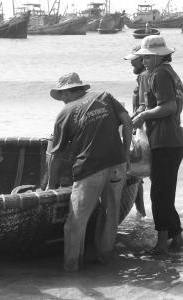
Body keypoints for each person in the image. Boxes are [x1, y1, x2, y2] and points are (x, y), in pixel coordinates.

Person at [48, 72, 132, 272]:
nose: (62, 101)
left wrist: (51, 185)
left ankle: (72, 267)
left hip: (89, 169)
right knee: (110, 213)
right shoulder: (105, 97)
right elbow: (127, 122)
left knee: (75, 222)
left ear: (67, 92)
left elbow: (56, 155)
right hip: (117, 165)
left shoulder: (65, 113)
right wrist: (126, 154)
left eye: (62, 96)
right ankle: (104, 260)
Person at [132, 35, 183, 254]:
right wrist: (142, 111)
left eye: (147, 56)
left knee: (160, 194)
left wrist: (144, 116)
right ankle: (177, 238)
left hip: (165, 141)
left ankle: (162, 243)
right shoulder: (170, 73)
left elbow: (169, 106)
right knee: (165, 192)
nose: (143, 60)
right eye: (142, 56)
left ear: (159, 56)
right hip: (172, 139)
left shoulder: (160, 73)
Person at [124, 45, 150, 217]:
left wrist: (128, 122)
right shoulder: (144, 76)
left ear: (143, 59)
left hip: (145, 131)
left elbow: (144, 106)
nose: (131, 62)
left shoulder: (143, 76)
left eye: (134, 58)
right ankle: (142, 215)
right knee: (138, 178)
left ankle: (144, 215)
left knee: (137, 173)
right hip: (142, 129)